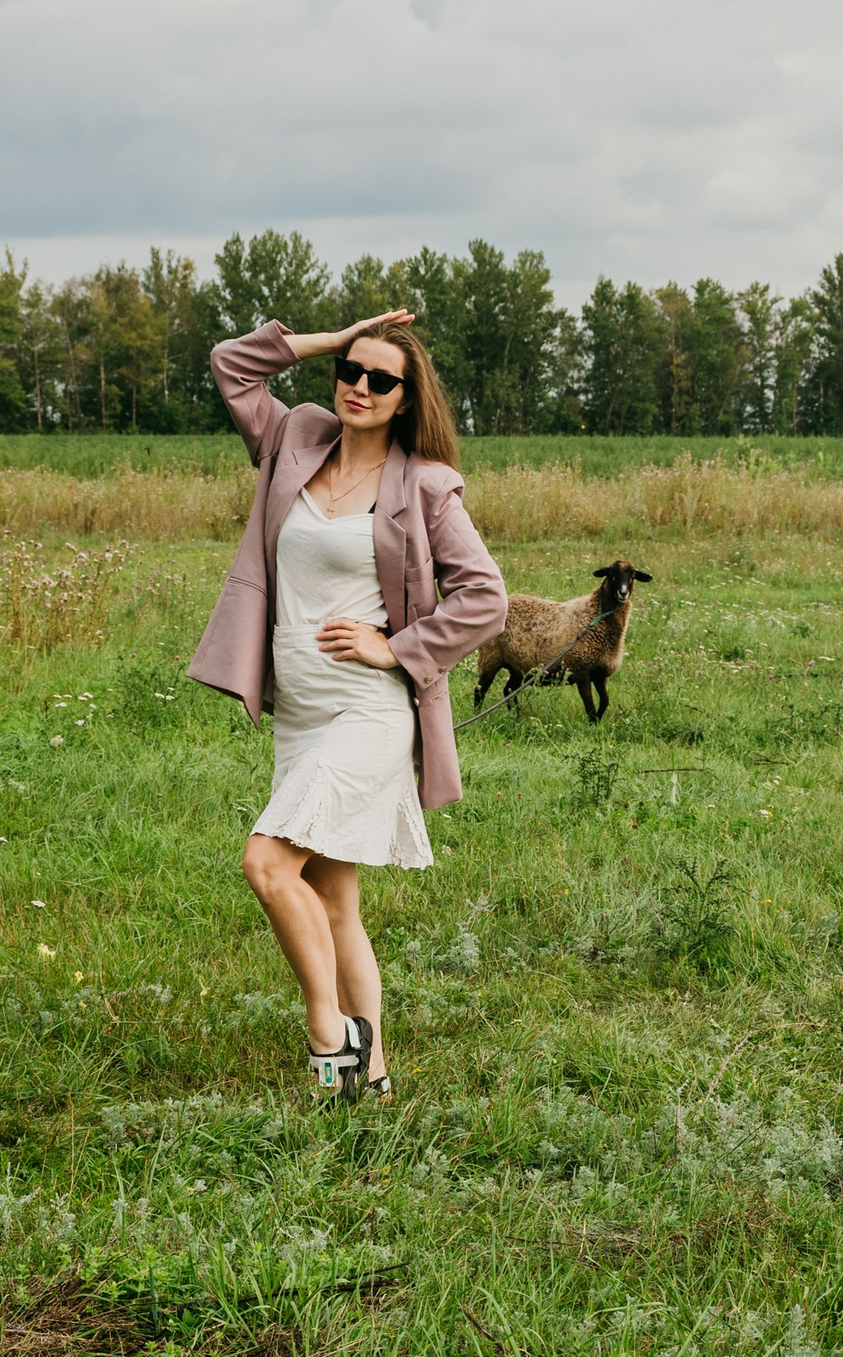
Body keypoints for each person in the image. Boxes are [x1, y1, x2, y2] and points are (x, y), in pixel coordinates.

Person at [187, 311, 506, 1099]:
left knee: (265, 862)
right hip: (300, 710)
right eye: (350, 373)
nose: (360, 387)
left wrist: (394, 647)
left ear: (407, 398)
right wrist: (335, 337)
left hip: (368, 709)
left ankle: (331, 1037)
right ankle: (377, 1079)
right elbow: (232, 365)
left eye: (381, 379)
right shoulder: (295, 436)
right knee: (334, 899)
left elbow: (486, 597)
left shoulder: (425, 485)